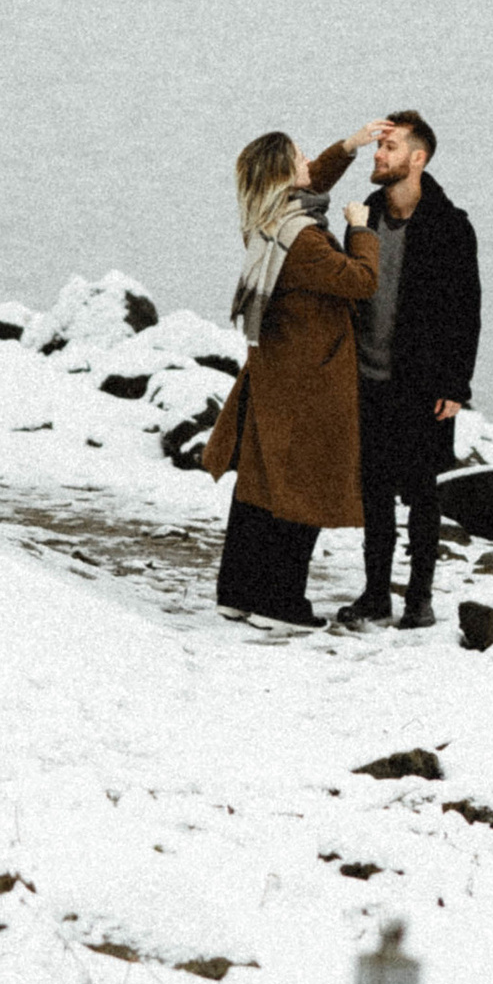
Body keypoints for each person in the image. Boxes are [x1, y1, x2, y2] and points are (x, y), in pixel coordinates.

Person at [201, 124, 385, 627]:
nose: (309, 162)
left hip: (274, 373)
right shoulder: (301, 240)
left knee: (259, 489)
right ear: (284, 175)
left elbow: (312, 183)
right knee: (303, 489)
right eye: (300, 157)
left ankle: (238, 592)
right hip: (309, 379)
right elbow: (361, 281)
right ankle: (281, 604)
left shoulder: (267, 223)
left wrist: (349, 146)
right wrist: (361, 230)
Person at [338, 108, 480, 631]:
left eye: (390, 148)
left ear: (417, 158)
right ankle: (377, 594)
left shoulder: (451, 226)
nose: (379, 155)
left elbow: (467, 311)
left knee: (422, 493)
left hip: (422, 385)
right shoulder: (366, 216)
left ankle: (419, 600)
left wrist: (456, 385)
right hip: (367, 377)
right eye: (379, 147)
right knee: (374, 492)